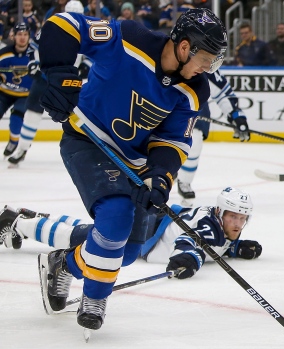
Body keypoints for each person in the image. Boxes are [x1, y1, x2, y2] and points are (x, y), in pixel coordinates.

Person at [35, 8, 227, 332]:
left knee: (126, 251)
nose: (209, 67)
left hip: (134, 162)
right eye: (206, 58)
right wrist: (60, 74)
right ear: (184, 47)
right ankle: (95, 297)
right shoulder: (129, 39)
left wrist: (160, 176)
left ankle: (64, 264)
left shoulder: (195, 90)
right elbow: (63, 25)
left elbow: (172, 140)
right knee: (117, 217)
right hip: (88, 140)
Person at [0, 187, 262, 279]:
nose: (237, 223)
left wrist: (236, 248)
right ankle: (16, 222)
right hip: (148, 232)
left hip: (153, 223)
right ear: (220, 212)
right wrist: (188, 259)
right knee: (82, 238)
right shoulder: (210, 228)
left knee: (88, 231)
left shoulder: (217, 223)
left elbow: (212, 242)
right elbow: (190, 241)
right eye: (233, 216)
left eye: (241, 218)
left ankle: (33, 217)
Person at [7, 0, 89, 167]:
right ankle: (22, 148)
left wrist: (86, 67)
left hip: (70, 80)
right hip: (45, 77)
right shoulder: (52, 27)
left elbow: (93, 56)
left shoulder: (89, 32)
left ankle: (87, 151)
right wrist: (32, 63)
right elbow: (32, 47)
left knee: (82, 116)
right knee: (32, 113)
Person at [177, 70, 250, 202]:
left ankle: (185, 181)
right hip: (163, 108)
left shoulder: (204, 59)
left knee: (195, 139)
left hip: (194, 109)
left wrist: (236, 115)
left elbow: (222, 91)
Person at [0, 23, 33, 159]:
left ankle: (14, 141)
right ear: (13, 36)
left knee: (16, 117)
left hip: (25, 95)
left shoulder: (35, 55)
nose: (22, 38)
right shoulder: (3, 53)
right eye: (19, 34)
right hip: (4, 92)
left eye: (25, 35)